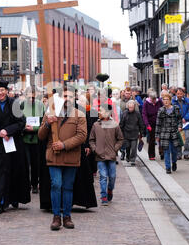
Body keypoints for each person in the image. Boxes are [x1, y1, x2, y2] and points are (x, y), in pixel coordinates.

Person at [38, 86, 87, 231]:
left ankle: (67, 216)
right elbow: (41, 136)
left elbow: (82, 136)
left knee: (67, 187)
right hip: (54, 156)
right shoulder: (50, 113)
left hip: (71, 156)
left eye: (71, 96)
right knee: (56, 184)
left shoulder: (79, 115)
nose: (68, 99)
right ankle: (56, 217)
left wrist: (64, 145)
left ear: (75, 98)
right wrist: (47, 123)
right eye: (65, 96)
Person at [0, 80, 30, 214]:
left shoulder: (14, 103)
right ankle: (0, 201)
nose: (0, 93)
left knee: (14, 170)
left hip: (13, 142)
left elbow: (21, 122)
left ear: (7, 91)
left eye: (2, 90)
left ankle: (14, 198)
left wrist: (8, 131)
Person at [89, 104, 124, 205]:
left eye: (101, 111)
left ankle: (110, 189)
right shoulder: (96, 125)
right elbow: (91, 139)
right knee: (103, 176)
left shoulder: (114, 124)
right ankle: (103, 196)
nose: (99, 112)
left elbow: (120, 139)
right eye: (99, 111)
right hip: (100, 156)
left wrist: (115, 149)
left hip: (111, 155)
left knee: (112, 176)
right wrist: (95, 149)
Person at [22, 87, 45, 194]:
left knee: (36, 163)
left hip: (37, 139)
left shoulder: (40, 105)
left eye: (33, 96)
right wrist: (23, 127)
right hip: (24, 139)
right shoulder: (21, 105)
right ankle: (26, 184)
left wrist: (35, 128)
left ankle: (35, 184)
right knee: (25, 163)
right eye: (28, 96)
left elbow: (44, 122)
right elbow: (17, 120)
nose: (31, 98)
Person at [155, 93, 182, 174]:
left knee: (174, 151)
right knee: (166, 151)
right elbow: (158, 123)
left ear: (170, 100)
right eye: (164, 100)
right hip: (164, 133)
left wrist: (180, 126)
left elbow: (179, 119)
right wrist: (157, 135)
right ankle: (168, 167)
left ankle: (174, 162)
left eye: (167, 100)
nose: (165, 101)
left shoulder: (175, 108)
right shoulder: (161, 110)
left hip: (174, 133)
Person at [119, 100, 145, 166]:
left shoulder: (137, 114)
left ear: (134, 107)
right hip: (126, 133)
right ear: (128, 107)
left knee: (133, 148)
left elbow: (141, 123)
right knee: (127, 147)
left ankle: (133, 159)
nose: (130, 109)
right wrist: (120, 132)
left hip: (135, 133)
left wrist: (141, 133)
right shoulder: (124, 113)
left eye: (132, 107)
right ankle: (127, 156)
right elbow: (121, 124)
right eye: (129, 107)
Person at [172, 88, 189, 160]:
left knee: (186, 139)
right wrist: (178, 119)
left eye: (181, 94)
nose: (179, 95)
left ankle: (186, 153)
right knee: (179, 139)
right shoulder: (173, 101)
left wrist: (185, 118)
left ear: (183, 94)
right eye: (178, 94)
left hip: (186, 123)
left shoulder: (187, 101)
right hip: (177, 123)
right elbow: (172, 111)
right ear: (175, 94)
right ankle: (179, 154)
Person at [142, 91, 163, 160]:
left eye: (154, 99)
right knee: (151, 140)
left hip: (160, 123)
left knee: (161, 138)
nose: (153, 101)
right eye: (152, 99)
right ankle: (151, 155)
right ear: (149, 98)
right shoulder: (146, 103)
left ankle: (162, 153)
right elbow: (144, 114)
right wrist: (147, 124)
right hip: (151, 124)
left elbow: (163, 110)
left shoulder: (159, 102)